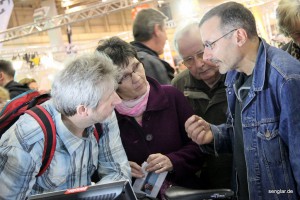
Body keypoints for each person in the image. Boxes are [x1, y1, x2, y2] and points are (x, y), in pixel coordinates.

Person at [185, 2, 300, 199]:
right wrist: (214, 135)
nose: (206, 56)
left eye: (210, 44)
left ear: (239, 36)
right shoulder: (234, 77)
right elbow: (246, 135)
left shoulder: (286, 80)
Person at [0, 52, 131, 200]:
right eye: (109, 96)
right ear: (83, 110)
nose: (118, 100)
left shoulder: (104, 115)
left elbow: (118, 173)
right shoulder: (28, 140)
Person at [96, 37, 204, 199]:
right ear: (111, 84)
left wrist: (172, 161)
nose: (136, 78)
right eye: (124, 77)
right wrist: (119, 170)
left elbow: (200, 147)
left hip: (184, 192)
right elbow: (94, 169)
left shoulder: (172, 97)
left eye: (136, 67)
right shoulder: (104, 117)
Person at [172, 20, 232, 189]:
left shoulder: (237, 74)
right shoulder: (178, 86)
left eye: (201, 53)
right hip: (201, 180)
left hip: (240, 171)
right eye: (189, 60)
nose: (199, 64)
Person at [131, 8, 174, 84]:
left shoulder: (129, 59)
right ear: (157, 30)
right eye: (164, 30)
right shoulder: (152, 64)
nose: (166, 37)